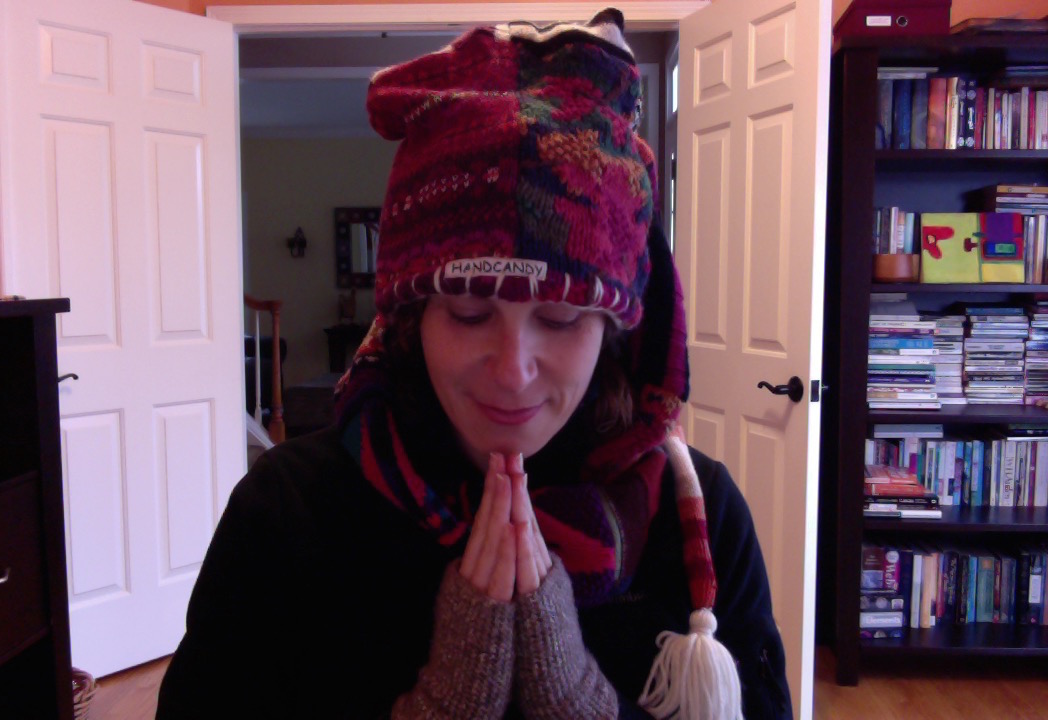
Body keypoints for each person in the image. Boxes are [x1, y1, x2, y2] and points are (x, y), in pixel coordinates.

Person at [156, 9, 791, 719]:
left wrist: (576, 703)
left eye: (560, 319)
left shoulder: (695, 512)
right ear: (412, 320)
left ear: (613, 330)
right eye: (467, 313)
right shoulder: (289, 510)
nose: (513, 370)